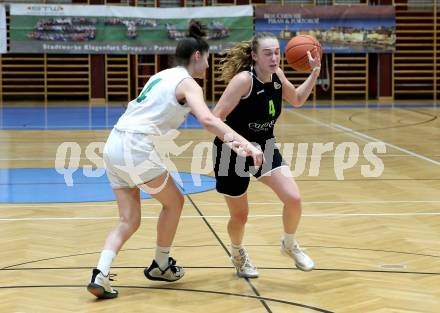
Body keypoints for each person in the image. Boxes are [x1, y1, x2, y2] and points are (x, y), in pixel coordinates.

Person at [87, 21, 264, 299]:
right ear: (197, 56)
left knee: (128, 219)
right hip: (136, 147)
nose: (208, 65)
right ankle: (160, 264)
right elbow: (207, 119)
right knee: (175, 202)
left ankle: (101, 273)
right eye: (207, 59)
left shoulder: (161, 75)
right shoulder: (188, 83)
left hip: (113, 144)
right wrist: (243, 144)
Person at [212, 32, 321, 278]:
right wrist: (242, 145)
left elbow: (298, 99)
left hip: (265, 146)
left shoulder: (277, 76)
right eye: (267, 53)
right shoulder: (243, 81)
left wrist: (314, 72)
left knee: (293, 199)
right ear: (254, 56)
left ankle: (289, 244)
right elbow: (215, 117)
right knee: (240, 216)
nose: (274, 58)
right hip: (232, 151)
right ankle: (237, 253)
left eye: (277, 52)